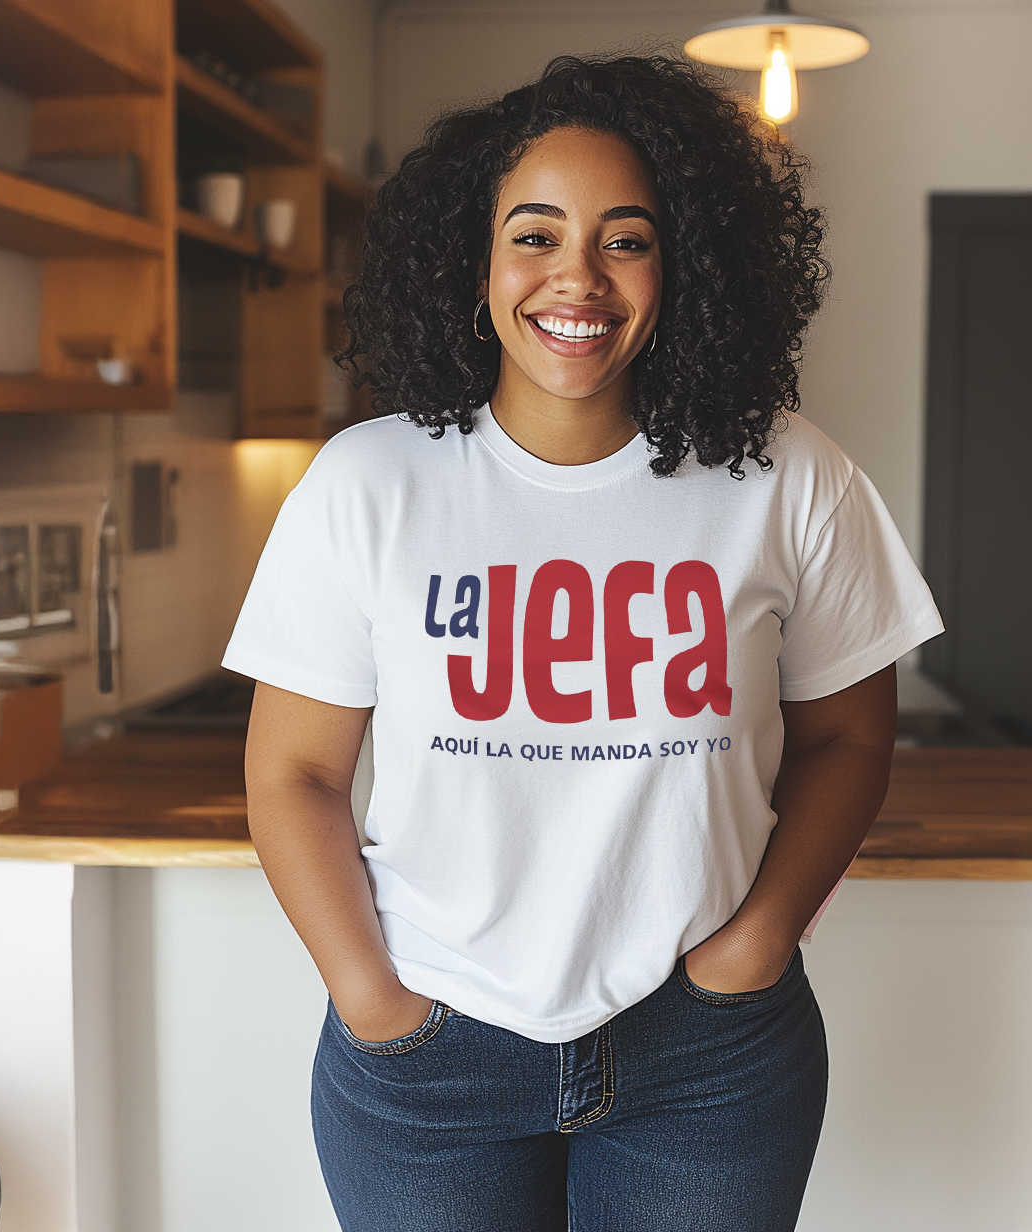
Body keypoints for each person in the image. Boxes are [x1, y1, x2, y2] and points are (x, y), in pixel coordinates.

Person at [223, 54, 942, 1232]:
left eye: (625, 237)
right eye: (535, 234)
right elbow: (291, 772)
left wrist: (749, 949)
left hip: (706, 1061)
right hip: (431, 1062)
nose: (577, 277)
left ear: (682, 264)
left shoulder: (786, 473)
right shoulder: (368, 482)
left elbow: (849, 739)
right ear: (476, 258)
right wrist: (369, 994)